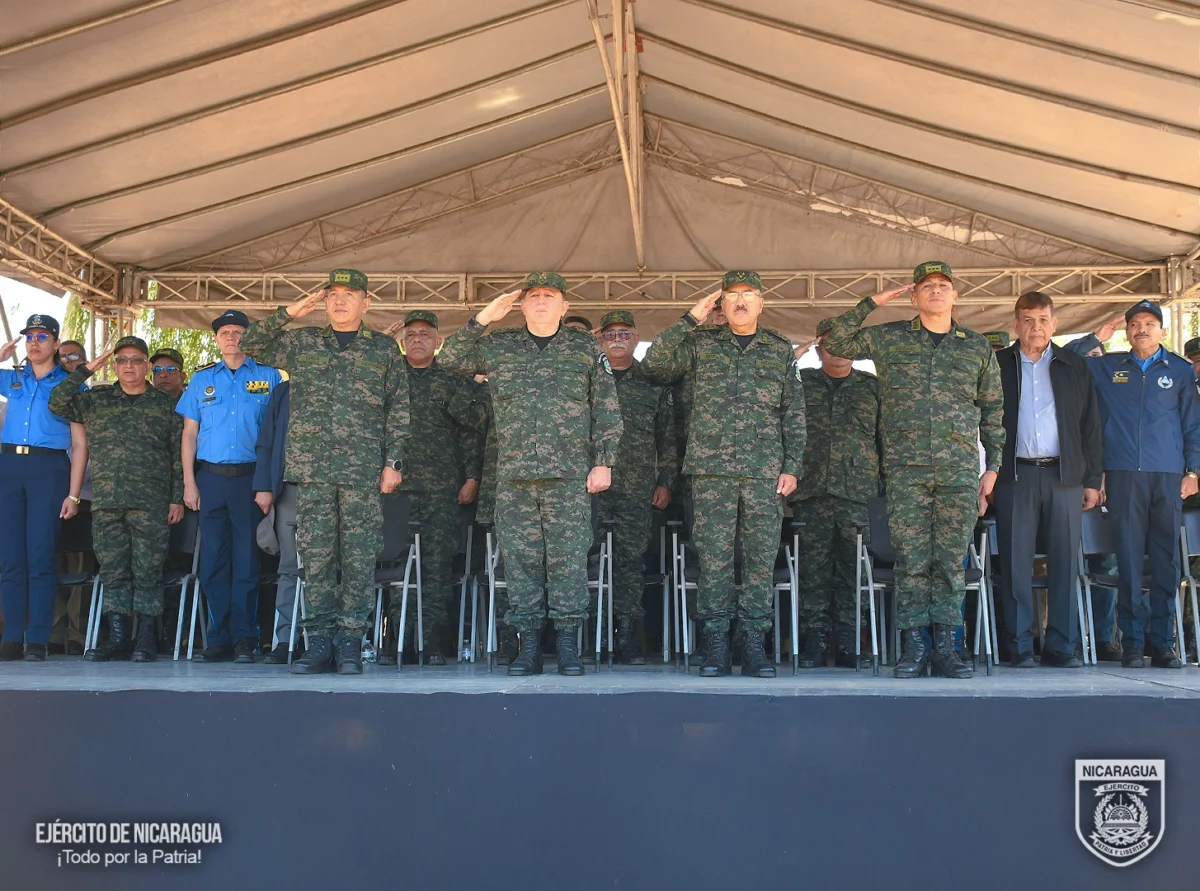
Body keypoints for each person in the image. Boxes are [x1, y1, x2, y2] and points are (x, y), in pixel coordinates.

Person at [823, 261, 1005, 680]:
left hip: (958, 470)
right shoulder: (890, 338)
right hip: (906, 470)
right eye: (926, 286)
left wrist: (993, 466)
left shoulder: (976, 347)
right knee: (912, 561)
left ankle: (947, 647)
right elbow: (837, 340)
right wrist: (872, 302)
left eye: (943, 285)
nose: (935, 291)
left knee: (949, 561)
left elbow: (993, 411)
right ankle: (914, 647)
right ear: (913, 296)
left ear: (955, 296)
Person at [438, 272, 622, 676]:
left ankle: (569, 646)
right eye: (533, 295)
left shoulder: (584, 349)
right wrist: (484, 317)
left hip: (570, 476)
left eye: (549, 295)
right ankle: (529, 647)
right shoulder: (499, 346)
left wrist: (604, 461)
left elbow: (606, 408)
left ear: (564, 306)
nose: (541, 301)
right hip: (516, 477)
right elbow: (449, 357)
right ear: (521, 305)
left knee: (568, 561)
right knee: (520, 563)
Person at [240, 268, 409, 675]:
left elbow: (398, 409)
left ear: (366, 302)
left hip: (361, 471)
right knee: (316, 558)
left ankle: (349, 641)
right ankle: (318, 641)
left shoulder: (383, 349)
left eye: (349, 294)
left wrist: (393, 462)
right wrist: (290, 312)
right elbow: (250, 343)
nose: (340, 300)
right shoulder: (303, 342)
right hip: (313, 471)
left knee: (357, 558)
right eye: (332, 294)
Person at [645, 271, 806, 679]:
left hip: (764, 473)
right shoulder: (701, 343)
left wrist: (792, 466)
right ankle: (715, 643)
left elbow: (793, 412)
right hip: (711, 472)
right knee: (714, 561)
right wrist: (690, 318)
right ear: (720, 305)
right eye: (731, 296)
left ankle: (753, 645)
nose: (740, 302)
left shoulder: (778, 349)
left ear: (761, 302)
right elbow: (655, 361)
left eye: (748, 294)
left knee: (758, 562)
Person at [1066, 301, 1200, 668]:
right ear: (1127, 332)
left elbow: (1192, 424)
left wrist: (1193, 472)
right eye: (1135, 324)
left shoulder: (1180, 370)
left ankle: (1164, 644)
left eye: (1150, 323)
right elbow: (1065, 360)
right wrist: (1096, 337)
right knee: (1126, 559)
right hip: (1123, 474)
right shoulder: (1109, 366)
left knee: (1165, 561)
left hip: (1168, 476)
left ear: (1162, 331)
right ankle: (1132, 644)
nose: (1142, 329)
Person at [49, 336, 184, 662]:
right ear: (114, 366)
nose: (128, 366)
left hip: (151, 502)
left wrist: (177, 498)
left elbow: (177, 456)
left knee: (148, 570)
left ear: (146, 366)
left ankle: (146, 639)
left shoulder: (165, 404)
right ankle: (119, 637)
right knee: (113, 571)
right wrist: (85, 371)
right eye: (122, 360)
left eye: (136, 360)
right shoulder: (97, 399)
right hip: (107, 501)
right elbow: (57, 402)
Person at [993, 292, 1102, 668]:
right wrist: (987, 476)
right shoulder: (998, 365)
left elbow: (1091, 425)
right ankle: (1020, 646)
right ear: (1015, 324)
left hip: (1064, 476)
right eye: (1027, 320)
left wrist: (1091, 479)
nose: (1035, 327)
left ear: (1054, 324)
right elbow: (981, 422)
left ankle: (1061, 646)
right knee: (1015, 563)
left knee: (1064, 561)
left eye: (1042, 320)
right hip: (1015, 476)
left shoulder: (1074, 365)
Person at [377, 309, 484, 666]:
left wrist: (472, 477)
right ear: (402, 341)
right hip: (397, 488)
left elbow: (471, 432)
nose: (418, 340)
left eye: (425, 334)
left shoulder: (453, 379)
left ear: (438, 341)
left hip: (442, 488)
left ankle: (431, 641)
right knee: (396, 566)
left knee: (436, 567)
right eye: (411, 334)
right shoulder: (389, 377)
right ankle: (399, 640)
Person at [177, 310, 282, 663]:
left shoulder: (269, 376)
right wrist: (189, 482)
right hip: (210, 479)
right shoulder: (201, 379)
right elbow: (189, 434)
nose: (233, 338)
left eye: (239, 332)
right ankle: (218, 636)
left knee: (247, 561)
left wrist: (267, 484)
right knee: (213, 561)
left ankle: (245, 638)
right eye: (226, 333)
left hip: (251, 480)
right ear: (216, 339)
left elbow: (276, 435)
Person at [790, 318, 882, 670]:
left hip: (857, 493)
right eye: (831, 343)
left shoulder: (873, 388)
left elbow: (885, 440)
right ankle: (814, 639)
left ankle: (850, 639)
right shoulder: (800, 383)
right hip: (811, 491)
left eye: (846, 343)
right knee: (812, 572)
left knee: (854, 572)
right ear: (819, 347)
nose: (839, 351)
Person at [0, 315, 86, 661]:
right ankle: (11, 636)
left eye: (42, 337)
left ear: (56, 343)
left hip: (48, 468)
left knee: (40, 554)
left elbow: (80, 444)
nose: (34, 342)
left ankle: (37, 637)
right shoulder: (14, 377)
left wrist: (74, 494)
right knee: (9, 557)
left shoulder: (70, 384)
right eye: (29, 336)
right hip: (9, 465)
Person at [596, 310, 677, 664]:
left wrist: (665, 482)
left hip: (636, 487)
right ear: (600, 341)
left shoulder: (653, 383)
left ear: (636, 339)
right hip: (589, 486)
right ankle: (592, 636)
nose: (617, 339)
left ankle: (626, 636)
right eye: (610, 334)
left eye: (624, 333)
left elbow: (667, 438)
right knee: (585, 559)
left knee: (629, 562)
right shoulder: (586, 379)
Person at [251, 378, 299, 664]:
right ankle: (287, 640)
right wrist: (263, 486)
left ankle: (335, 640)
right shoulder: (284, 391)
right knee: (290, 567)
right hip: (290, 488)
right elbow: (266, 440)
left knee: (336, 568)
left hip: (339, 489)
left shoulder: (351, 382)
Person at [52, 340, 91, 655]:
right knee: (50, 563)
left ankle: (78, 634)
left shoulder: (91, 399)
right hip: (49, 493)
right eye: (62, 356)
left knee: (80, 568)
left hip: (86, 495)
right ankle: (54, 633)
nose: (67, 361)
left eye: (74, 355)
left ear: (86, 361)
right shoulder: (47, 396)